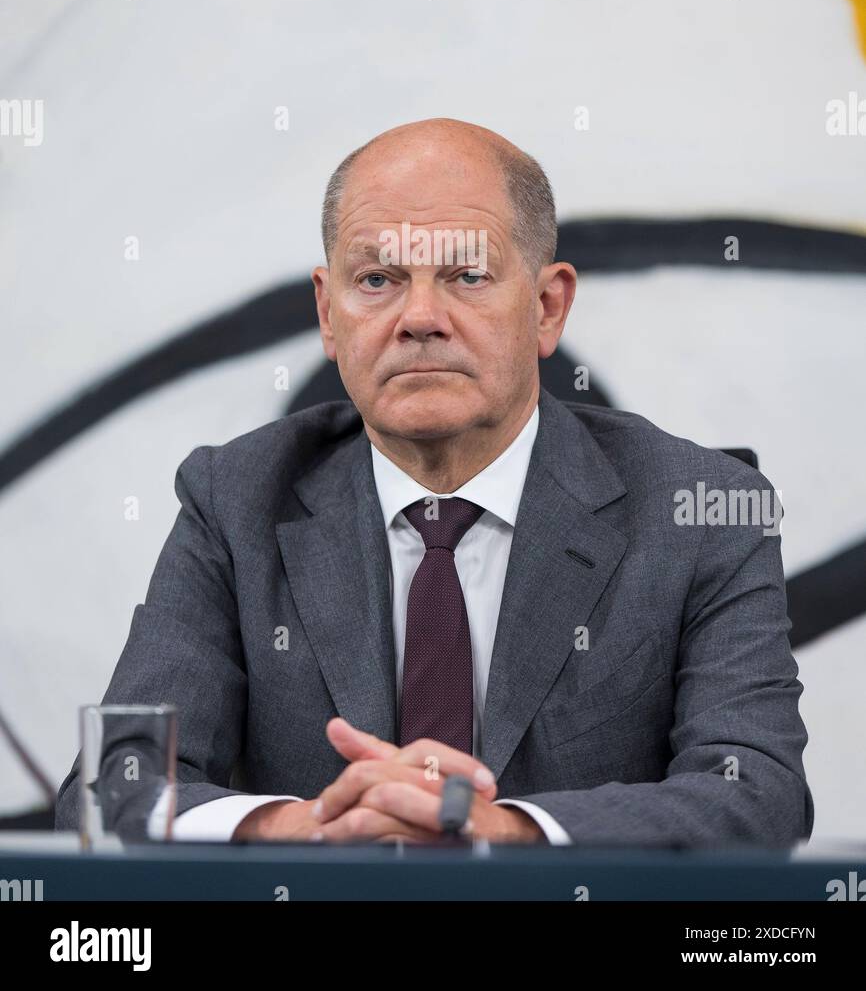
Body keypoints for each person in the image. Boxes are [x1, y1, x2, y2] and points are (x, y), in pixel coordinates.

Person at [55, 118, 813, 846]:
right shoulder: (235, 499)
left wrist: (505, 830)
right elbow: (113, 783)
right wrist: (307, 827)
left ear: (547, 308)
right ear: (328, 311)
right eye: (378, 278)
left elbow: (756, 793)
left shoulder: (703, 510)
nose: (420, 317)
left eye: (467, 275)